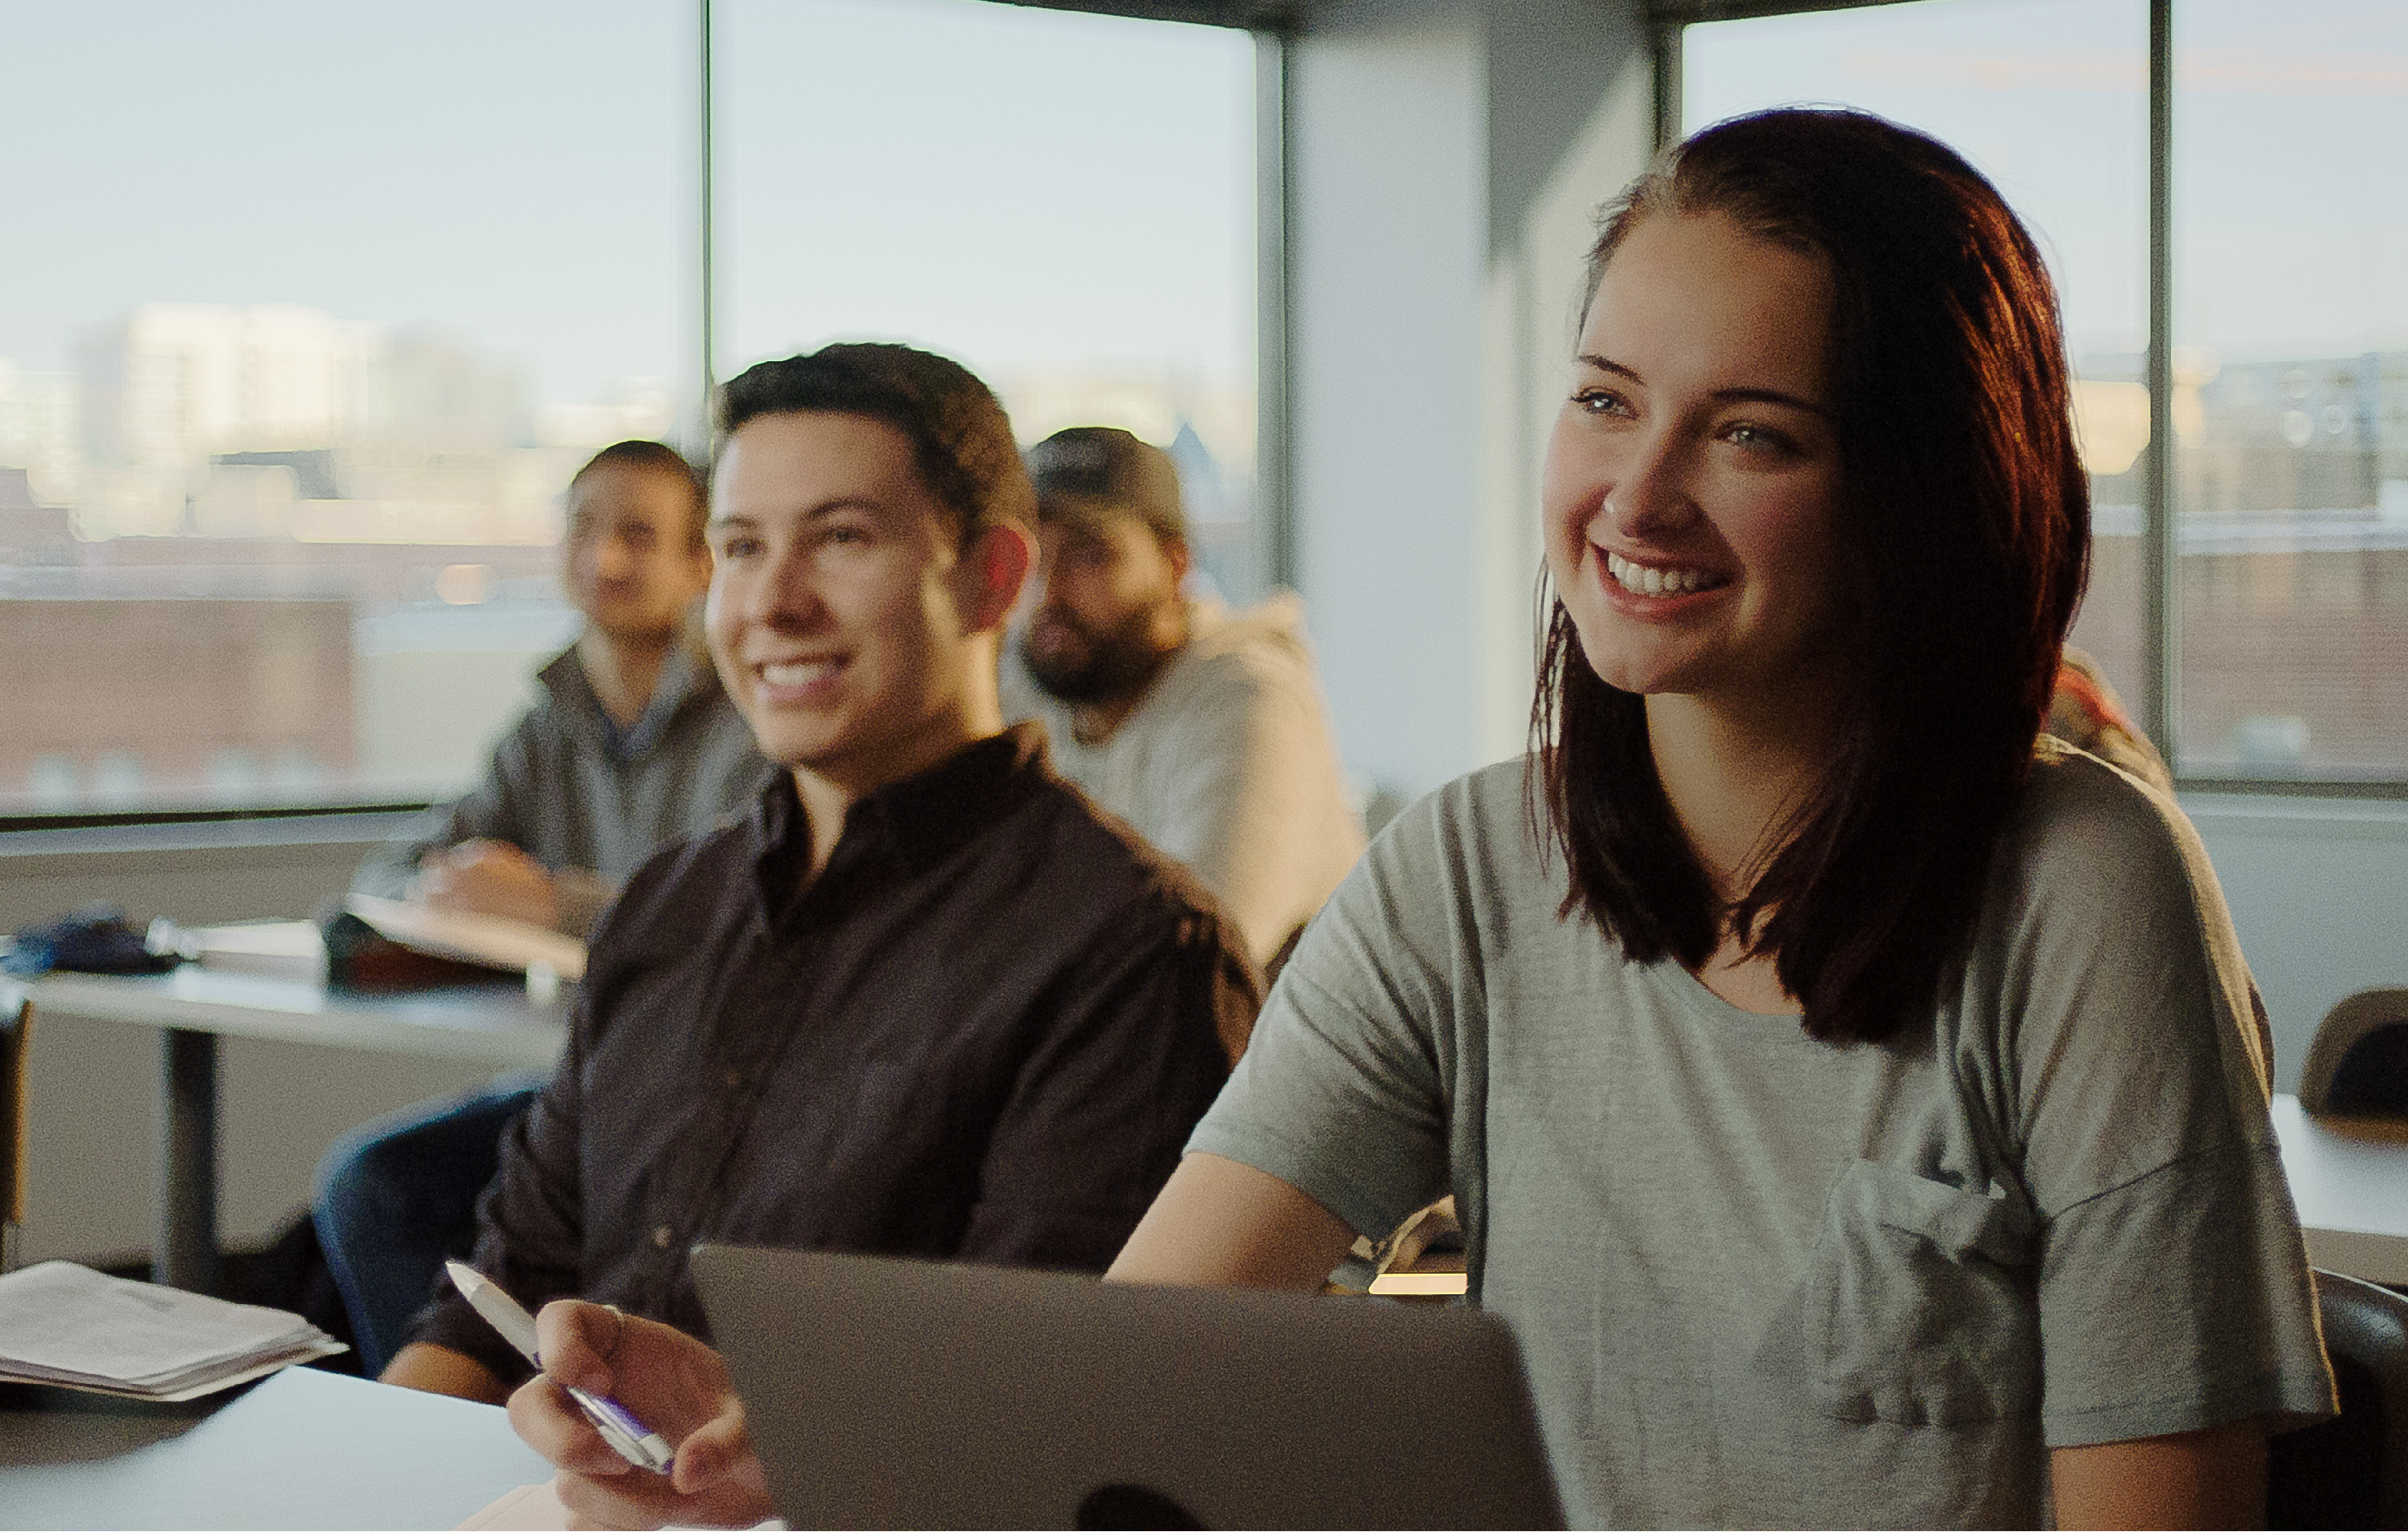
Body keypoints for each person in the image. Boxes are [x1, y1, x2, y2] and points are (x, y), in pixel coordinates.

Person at [503, 113, 2334, 1530]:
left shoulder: (2076, 890)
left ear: (1919, 493)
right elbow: (1133, 1364)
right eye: (1605, 399)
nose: (1636, 490)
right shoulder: (1471, 867)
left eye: (1750, 433)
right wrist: (799, 1440)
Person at [379, 342, 1259, 1405]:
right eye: (741, 548)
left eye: (841, 539)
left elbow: (1033, 1418)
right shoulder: (668, 904)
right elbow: (498, 1294)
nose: (774, 602)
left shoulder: (1128, 953)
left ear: (991, 577)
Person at [318, 440, 768, 1374]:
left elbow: (736, 919)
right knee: (370, 1185)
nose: (603, 559)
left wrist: (550, 904)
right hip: (577, 1069)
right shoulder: (551, 714)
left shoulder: (752, 721)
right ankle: (466, 1441)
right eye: (584, 529)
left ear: (700, 565)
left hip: (701, 1083)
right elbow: (404, 863)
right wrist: (448, 882)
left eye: (638, 536)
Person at [1002, 426, 1364, 973]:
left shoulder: (1246, 694)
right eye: (1034, 561)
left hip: (1260, 1054)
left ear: (1175, 568)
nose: (1047, 594)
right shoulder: (1029, 683)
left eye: (1089, 557)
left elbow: (1194, 966)